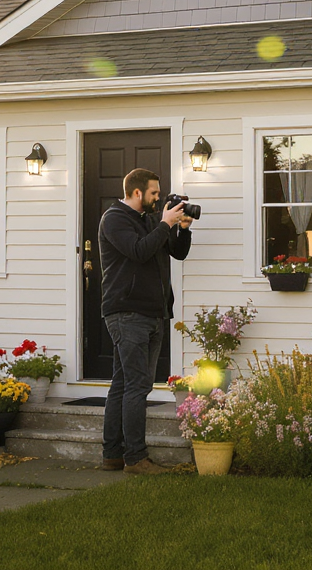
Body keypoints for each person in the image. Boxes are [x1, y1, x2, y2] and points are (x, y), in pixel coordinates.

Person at [98, 167, 192, 475]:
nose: (158, 197)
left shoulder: (150, 221)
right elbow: (138, 251)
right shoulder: (114, 218)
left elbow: (176, 253)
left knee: (123, 384)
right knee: (137, 386)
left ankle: (112, 455)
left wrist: (182, 228)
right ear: (137, 193)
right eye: (154, 193)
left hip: (152, 312)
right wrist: (165, 223)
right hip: (127, 312)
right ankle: (136, 459)